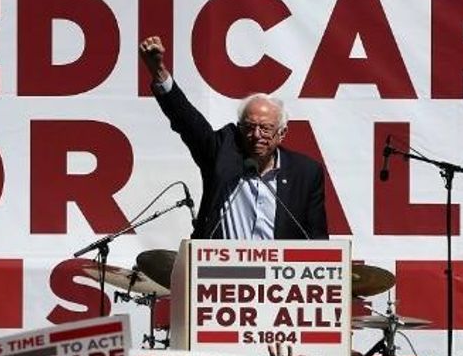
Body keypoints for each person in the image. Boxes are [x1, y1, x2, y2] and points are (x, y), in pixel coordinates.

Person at [139, 36, 328, 240]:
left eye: (265, 128)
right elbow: (187, 121)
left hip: (279, 270)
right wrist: (158, 71)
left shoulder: (306, 173)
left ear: (282, 133)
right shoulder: (221, 153)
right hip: (220, 269)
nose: (256, 135)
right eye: (249, 127)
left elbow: (317, 241)